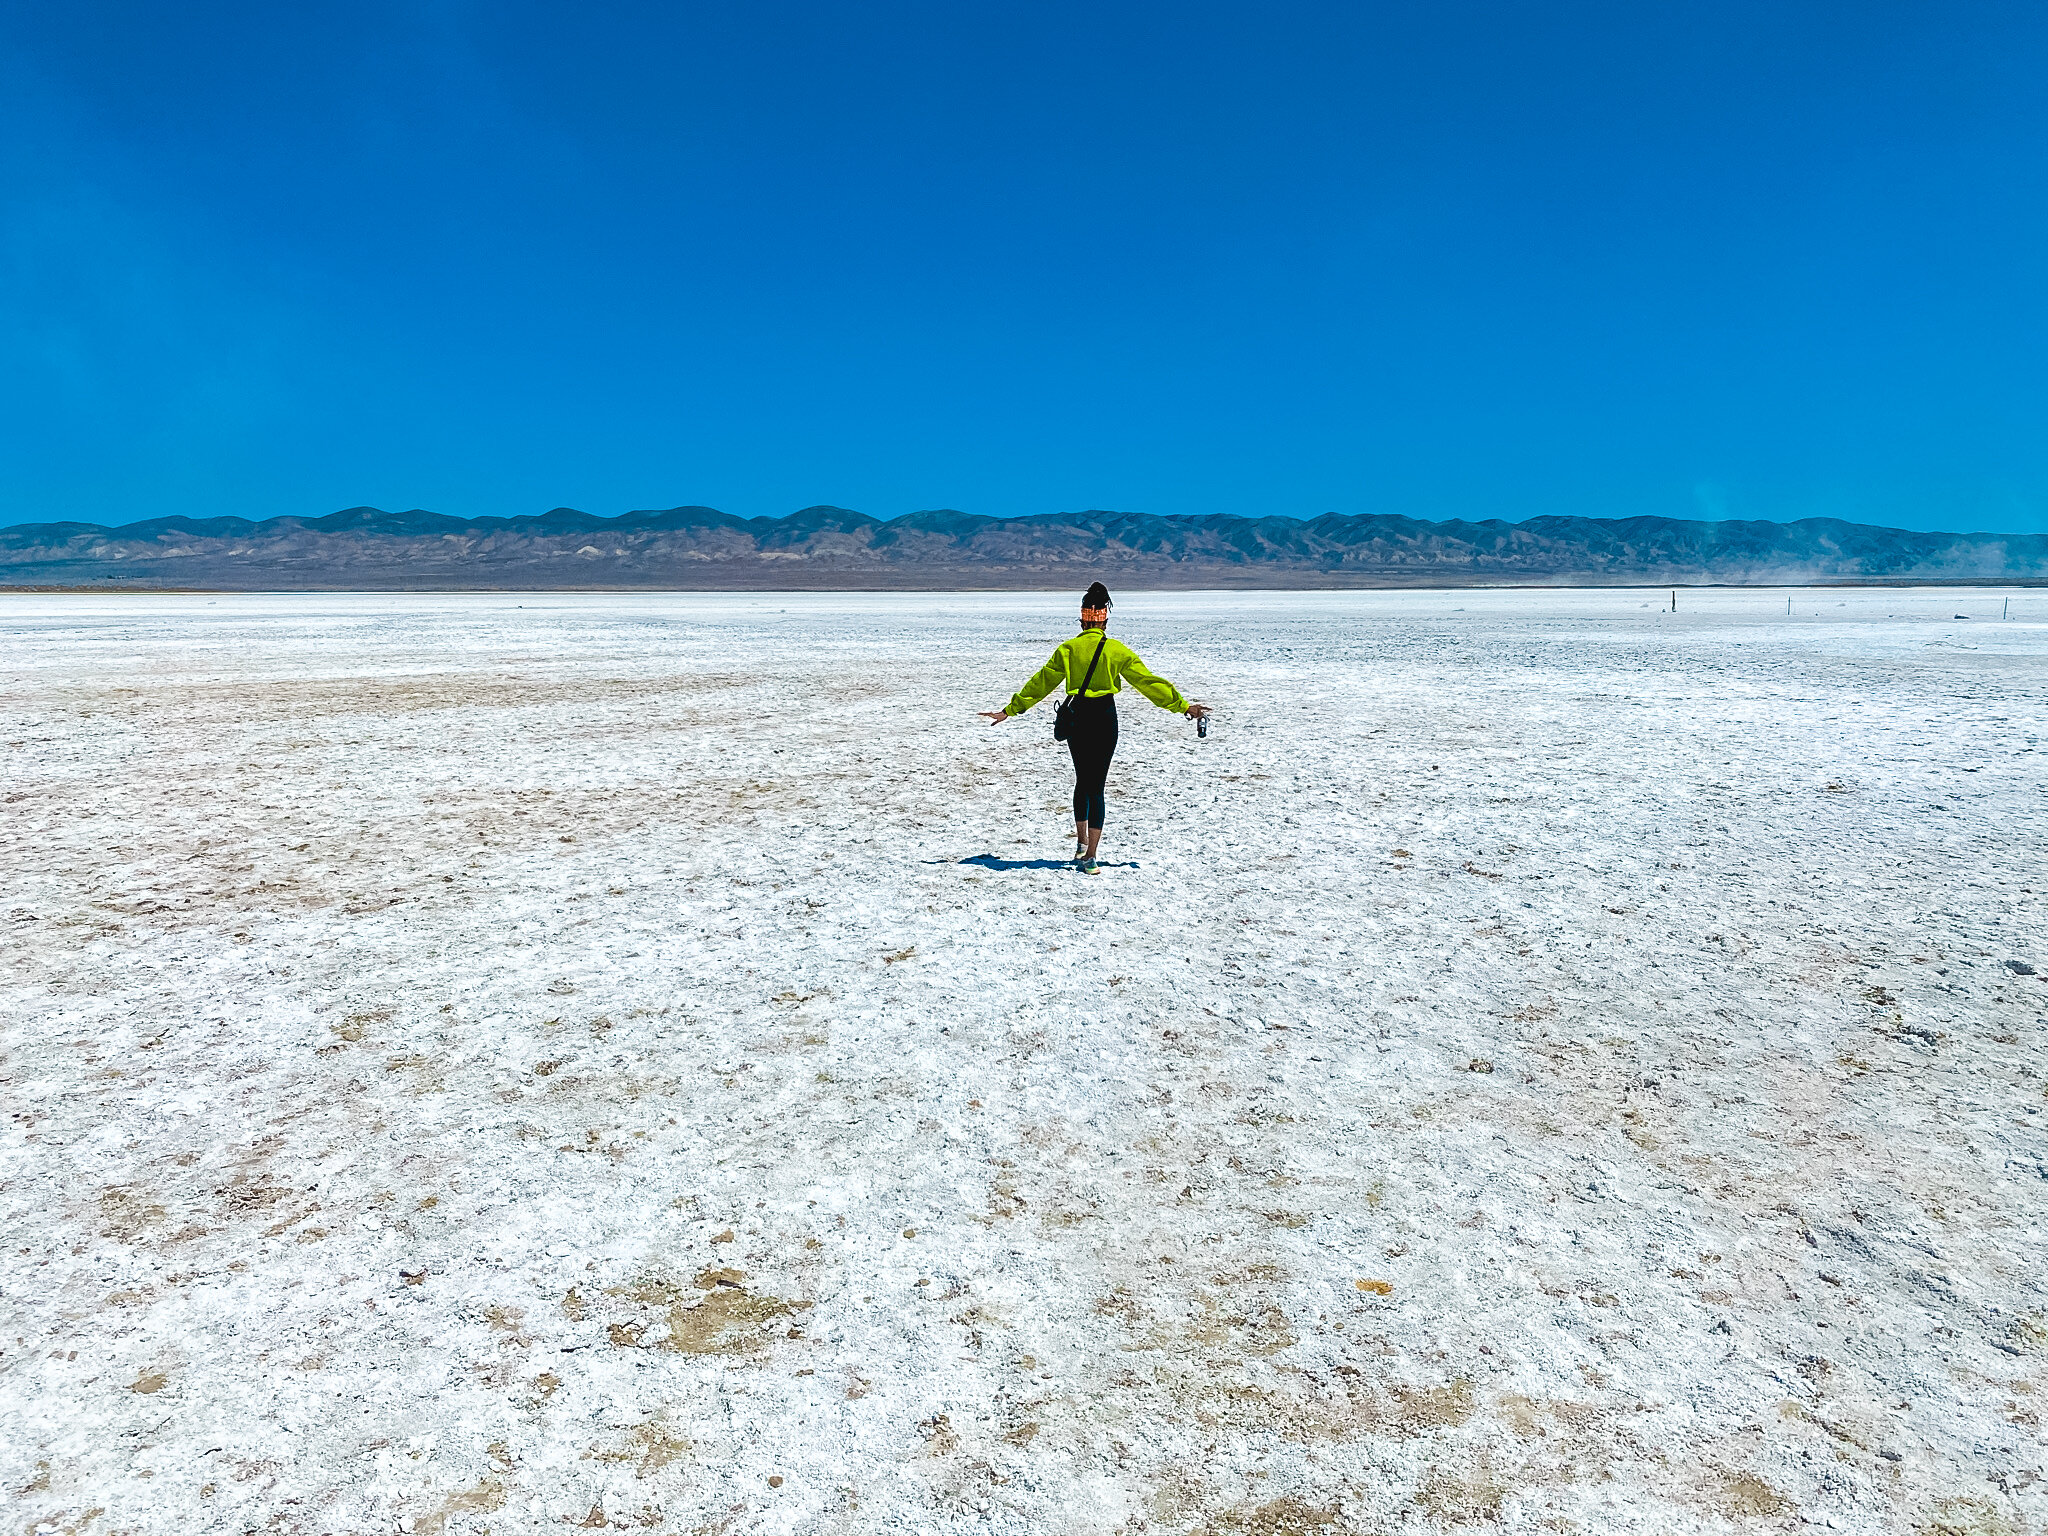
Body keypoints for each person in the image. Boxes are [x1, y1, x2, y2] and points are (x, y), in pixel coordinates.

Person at [980, 582, 1209, 873]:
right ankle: (1091, 855)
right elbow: (1148, 683)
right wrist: (1183, 706)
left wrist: (1009, 710)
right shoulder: (1117, 651)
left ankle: (1080, 843)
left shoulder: (1068, 649)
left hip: (1077, 718)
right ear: (1105, 621)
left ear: (1083, 620)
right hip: (1104, 718)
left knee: (1082, 780)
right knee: (1096, 787)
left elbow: (1041, 683)